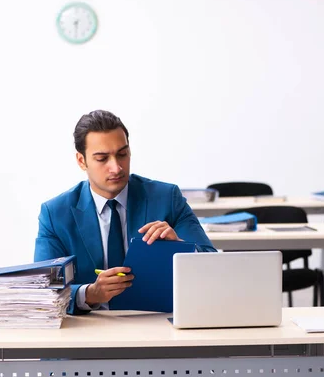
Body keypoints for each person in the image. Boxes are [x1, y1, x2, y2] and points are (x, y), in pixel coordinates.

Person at [34, 110, 216, 315]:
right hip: (89, 330)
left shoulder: (167, 198)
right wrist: (90, 293)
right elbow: (45, 290)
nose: (117, 167)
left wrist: (182, 249)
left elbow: (212, 264)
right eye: (102, 159)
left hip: (158, 323)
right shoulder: (55, 213)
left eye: (122, 154)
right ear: (81, 161)